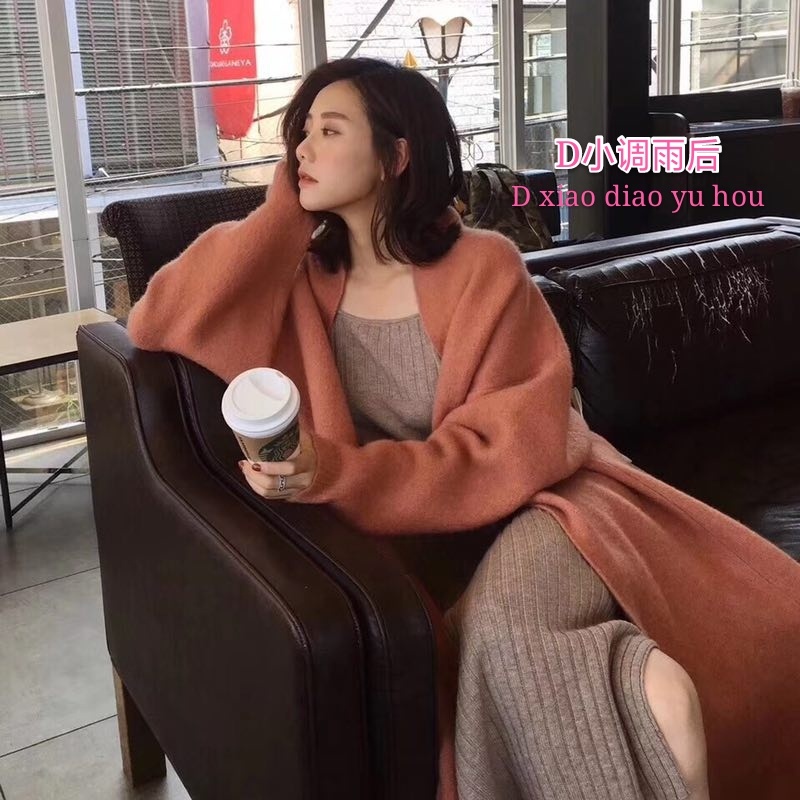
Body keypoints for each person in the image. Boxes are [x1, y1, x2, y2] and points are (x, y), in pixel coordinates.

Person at [126, 57, 800, 800]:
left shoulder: (485, 267)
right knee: (486, 647)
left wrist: (339, 473)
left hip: (549, 503)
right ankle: (647, 701)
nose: (302, 150)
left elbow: (507, 452)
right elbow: (158, 318)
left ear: (396, 156)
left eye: (330, 130)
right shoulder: (302, 284)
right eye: (301, 133)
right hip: (417, 539)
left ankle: (657, 713)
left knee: (500, 633)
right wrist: (285, 211)